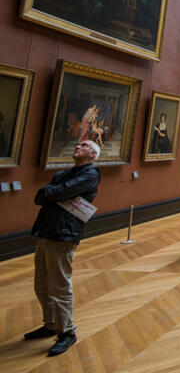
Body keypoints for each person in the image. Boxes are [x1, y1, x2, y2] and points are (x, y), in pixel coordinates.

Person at [25, 140, 101, 356]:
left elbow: (55, 192)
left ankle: (67, 331)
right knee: (41, 283)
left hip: (65, 233)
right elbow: (41, 196)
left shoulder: (91, 174)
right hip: (46, 230)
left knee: (59, 284)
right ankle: (50, 324)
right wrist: (54, 193)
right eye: (77, 144)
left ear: (93, 154)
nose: (77, 145)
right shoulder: (62, 174)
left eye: (84, 145)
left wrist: (53, 193)